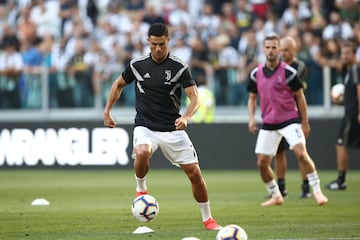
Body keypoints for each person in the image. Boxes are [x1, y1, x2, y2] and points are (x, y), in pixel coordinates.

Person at [103, 23, 221, 230]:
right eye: (154, 44)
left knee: (195, 174)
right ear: (148, 42)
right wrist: (107, 111)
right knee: (141, 151)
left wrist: (186, 117)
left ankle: (208, 219)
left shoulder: (179, 67)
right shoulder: (137, 65)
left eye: (162, 44)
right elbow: (118, 84)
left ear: (168, 41)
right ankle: (141, 189)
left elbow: (195, 98)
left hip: (172, 128)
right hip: (145, 126)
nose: (158, 49)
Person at [247, 35, 328, 206]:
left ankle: (317, 191)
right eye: (267, 47)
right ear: (263, 50)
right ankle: (276, 195)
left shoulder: (288, 72)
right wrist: (252, 118)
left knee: (300, 153)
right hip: (268, 122)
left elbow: (300, 96)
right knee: (262, 163)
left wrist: (304, 122)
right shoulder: (256, 74)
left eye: (274, 47)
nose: (270, 50)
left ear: (279, 50)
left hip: (289, 119)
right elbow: (252, 97)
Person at [270, 36, 311, 199]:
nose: (283, 53)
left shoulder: (299, 67)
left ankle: (306, 187)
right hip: (277, 115)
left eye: (286, 50)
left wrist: (305, 122)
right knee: (278, 153)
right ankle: (281, 187)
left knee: (300, 151)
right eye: (282, 50)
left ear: (294, 50)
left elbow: (289, 88)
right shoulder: (276, 66)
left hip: (294, 114)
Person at [325, 41, 360, 190]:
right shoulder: (350, 70)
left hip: (352, 115)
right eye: (342, 53)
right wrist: (342, 101)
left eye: (347, 53)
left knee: (341, 144)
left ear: (354, 54)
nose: (344, 56)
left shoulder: (355, 69)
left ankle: (341, 180)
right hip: (351, 111)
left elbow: (359, 90)